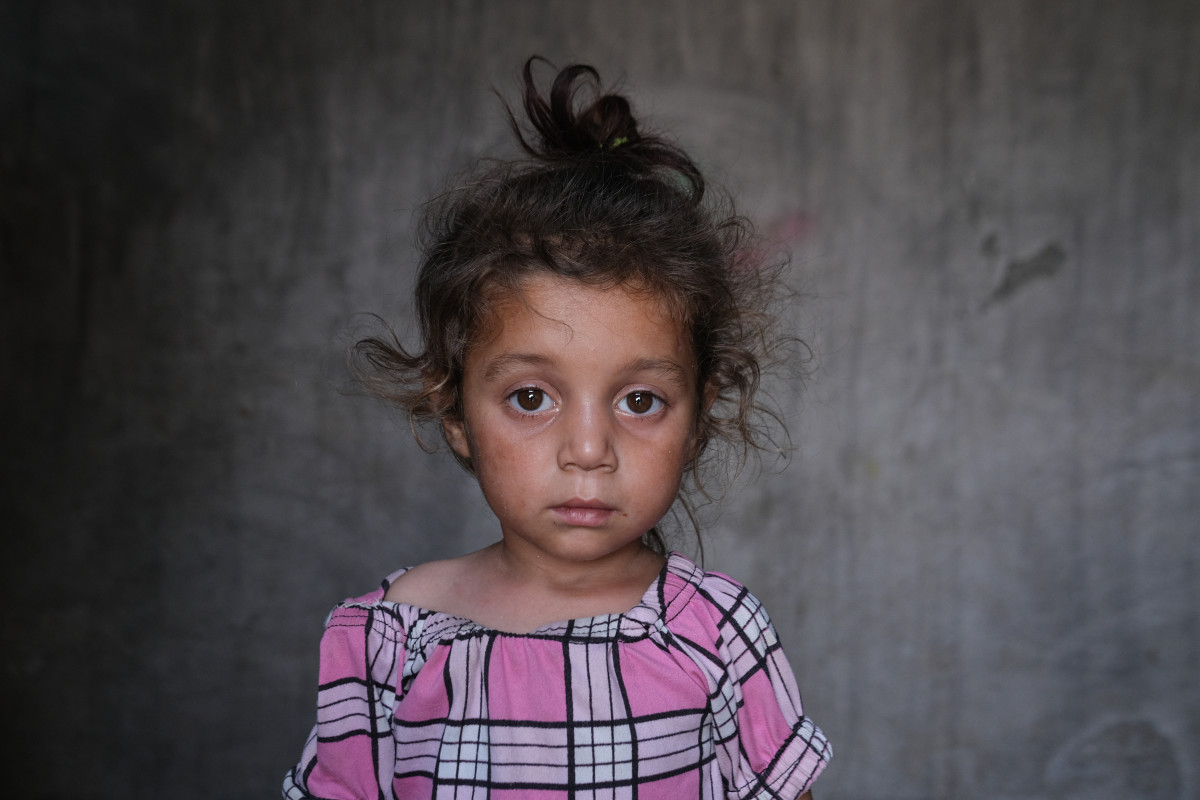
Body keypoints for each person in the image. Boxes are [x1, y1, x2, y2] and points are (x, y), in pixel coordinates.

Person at [284, 57, 832, 800]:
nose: (587, 451)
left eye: (639, 402)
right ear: (454, 412)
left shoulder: (719, 631)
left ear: (699, 420)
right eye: (532, 397)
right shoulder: (388, 640)